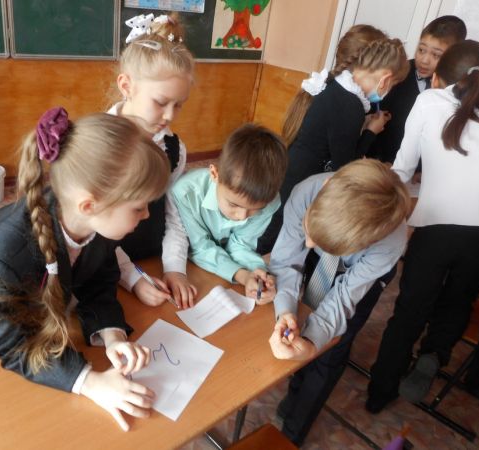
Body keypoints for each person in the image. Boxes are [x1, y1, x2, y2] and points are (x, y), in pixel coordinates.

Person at [0, 109, 171, 432]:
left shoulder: (94, 220)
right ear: (90, 205)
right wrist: (90, 382)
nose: (146, 215)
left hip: (2, 295)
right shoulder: (5, 250)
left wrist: (112, 337)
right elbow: (12, 345)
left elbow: (99, 279)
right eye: (139, 207)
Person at [367, 40, 479, 413]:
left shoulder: (429, 101)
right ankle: (434, 353)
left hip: (435, 228)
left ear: (437, 78)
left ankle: (381, 391)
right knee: (458, 301)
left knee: (410, 309)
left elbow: (402, 170)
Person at [268, 159, 410, 446]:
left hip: (357, 278)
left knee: (331, 350)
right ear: (326, 186)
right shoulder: (306, 190)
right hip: (321, 264)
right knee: (302, 321)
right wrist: (285, 312)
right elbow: (287, 261)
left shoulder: (390, 243)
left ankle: (294, 432)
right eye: (308, 229)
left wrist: (312, 345)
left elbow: (343, 299)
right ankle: (294, 393)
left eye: (316, 240)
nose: (308, 244)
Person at [257, 35, 409, 254]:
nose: (388, 91)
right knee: (278, 233)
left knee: (278, 227)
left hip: (295, 169)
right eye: (393, 85)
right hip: (302, 179)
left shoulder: (339, 89)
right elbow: (345, 167)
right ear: (385, 79)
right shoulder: (350, 105)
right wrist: (370, 132)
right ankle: (253, 260)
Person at [109, 12, 197, 309]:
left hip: (155, 260)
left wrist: (175, 268)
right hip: (107, 266)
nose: (170, 115)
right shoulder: (98, 146)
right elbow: (92, 230)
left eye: (179, 105)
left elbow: (176, 216)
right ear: (126, 86)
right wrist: (132, 278)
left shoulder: (174, 150)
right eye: (160, 102)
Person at [168, 123, 288, 301]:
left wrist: (258, 274)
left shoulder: (270, 202)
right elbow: (200, 248)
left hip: (215, 268)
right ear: (214, 174)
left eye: (255, 210)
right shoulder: (185, 193)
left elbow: (241, 245)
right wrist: (242, 275)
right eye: (233, 204)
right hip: (187, 265)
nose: (242, 216)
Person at [367, 15, 467, 163]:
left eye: (436, 55)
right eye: (421, 50)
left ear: (453, 57)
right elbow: (373, 115)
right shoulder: (398, 72)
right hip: (381, 160)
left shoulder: (458, 88)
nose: (424, 60)